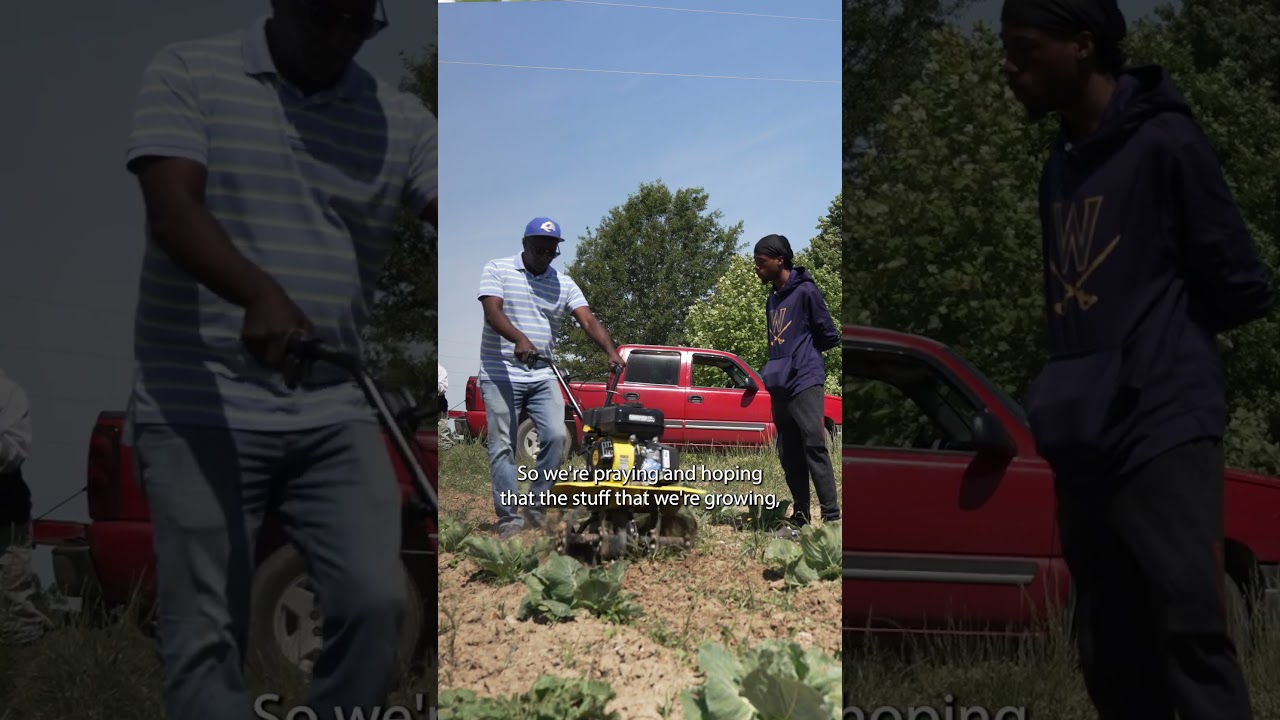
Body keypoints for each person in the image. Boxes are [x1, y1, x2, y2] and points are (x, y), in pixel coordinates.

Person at [122, 1, 436, 718]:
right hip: (200, 401)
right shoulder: (189, 72)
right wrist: (257, 292)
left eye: (358, 24)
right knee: (206, 633)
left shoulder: (400, 120)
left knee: (377, 601)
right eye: (323, 18)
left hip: (332, 405)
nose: (340, 38)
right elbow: (172, 209)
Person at [1001, 1, 1274, 718]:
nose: (1010, 66)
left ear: (1083, 46)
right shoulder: (1058, 166)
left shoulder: (1167, 143)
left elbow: (1241, 284)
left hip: (1162, 421)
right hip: (1082, 431)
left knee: (1189, 633)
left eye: (1025, 48)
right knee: (1109, 649)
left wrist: (1154, 346)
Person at [477, 217, 624, 538]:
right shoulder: (498, 269)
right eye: (539, 250)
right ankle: (509, 519)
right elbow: (492, 312)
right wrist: (519, 338)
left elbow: (588, 320)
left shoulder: (564, 283)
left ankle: (535, 507)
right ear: (525, 244)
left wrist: (611, 351)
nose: (544, 256)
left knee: (558, 437)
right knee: (502, 444)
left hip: (542, 372)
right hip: (500, 372)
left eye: (551, 252)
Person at [754, 234, 841, 534]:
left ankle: (832, 521)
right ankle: (801, 518)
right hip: (779, 383)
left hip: (805, 379)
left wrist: (802, 357)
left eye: (761, 261)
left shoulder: (806, 291)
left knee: (814, 445)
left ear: (780, 260)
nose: (756, 267)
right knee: (788, 453)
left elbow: (829, 335)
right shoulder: (772, 299)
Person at [0, 366, 51, 646]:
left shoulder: (7, 392)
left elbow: (14, 451)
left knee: (13, 607)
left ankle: (26, 665)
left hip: (5, 519)